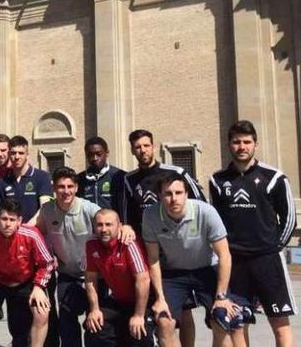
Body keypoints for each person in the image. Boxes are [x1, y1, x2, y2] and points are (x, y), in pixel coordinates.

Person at [209, 120, 296, 346]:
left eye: (247, 142)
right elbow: (216, 223)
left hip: (268, 261)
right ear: (229, 145)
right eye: (236, 142)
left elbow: (289, 218)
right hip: (235, 263)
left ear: (255, 144)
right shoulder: (218, 180)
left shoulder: (274, 177)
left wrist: (275, 247)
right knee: (237, 325)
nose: (242, 146)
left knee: (280, 326)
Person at [142, 173, 246, 347]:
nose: (173, 199)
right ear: (159, 196)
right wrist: (160, 297)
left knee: (221, 317)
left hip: (207, 269)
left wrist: (221, 296)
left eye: (178, 192)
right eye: (167, 194)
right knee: (164, 321)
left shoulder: (206, 212)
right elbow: (153, 260)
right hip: (173, 273)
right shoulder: (150, 215)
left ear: (186, 194)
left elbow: (224, 256)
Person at [122, 129, 205, 345]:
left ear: (153, 146)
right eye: (138, 147)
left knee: (185, 312)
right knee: (162, 312)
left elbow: (200, 205)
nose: (143, 150)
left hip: (178, 251)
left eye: (146, 145)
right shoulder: (129, 180)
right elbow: (126, 215)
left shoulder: (175, 172)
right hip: (150, 253)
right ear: (132, 150)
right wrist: (127, 226)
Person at [34, 167, 104, 347]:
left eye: (70, 186)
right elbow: (36, 233)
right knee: (67, 324)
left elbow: (110, 225)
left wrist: (125, 228)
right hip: (67, 275)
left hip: (94, 276)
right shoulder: (47, 211)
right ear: (54, 188)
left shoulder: (89, 209)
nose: (66, 191)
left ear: (76, 187)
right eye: (61, 187)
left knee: (94, 324)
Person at [0, 199, 54, 347]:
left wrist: (38, 287)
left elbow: (47, 263)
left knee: (42, 312)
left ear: (20, 221)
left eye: (12, 219)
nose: (8, 224)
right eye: (4, 219)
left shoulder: (31, 235)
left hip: (26, 281)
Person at [84, 209, 153, 347]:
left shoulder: (128, 243)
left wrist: (139, 316)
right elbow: (90, 279)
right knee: (93, 326)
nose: (104, 229)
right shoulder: (91, 245)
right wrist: (95, 309)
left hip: (142, 303)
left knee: (139, 333)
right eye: (100, 225)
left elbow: (143, 279)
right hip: (118, 301)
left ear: (119, 226)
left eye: (109, 224)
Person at [0, 136, 52, 223]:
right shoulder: (3, 181)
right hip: (10, 233)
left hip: (34, 231)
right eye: (13, 153)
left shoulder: (42, 177)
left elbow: (45, 208)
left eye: (21, 153)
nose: (17, 157)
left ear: (27, 154)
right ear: (9, 154)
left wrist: (28, 227)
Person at [79, 137, 125, 210]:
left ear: (106, 153)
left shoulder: (120, 176)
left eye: (98, 154)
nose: (95, 158)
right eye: (90, 155)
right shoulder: (79, 179)